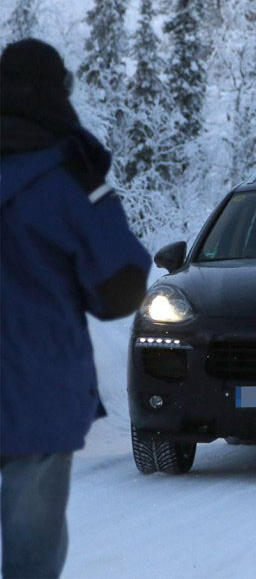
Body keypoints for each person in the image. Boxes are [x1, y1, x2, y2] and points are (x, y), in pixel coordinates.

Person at [1, 38, 151, 579]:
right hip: (34, 399)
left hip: (34, 400)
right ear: (58, 92)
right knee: (30, 560)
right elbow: (122, 287)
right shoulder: (69, 179)